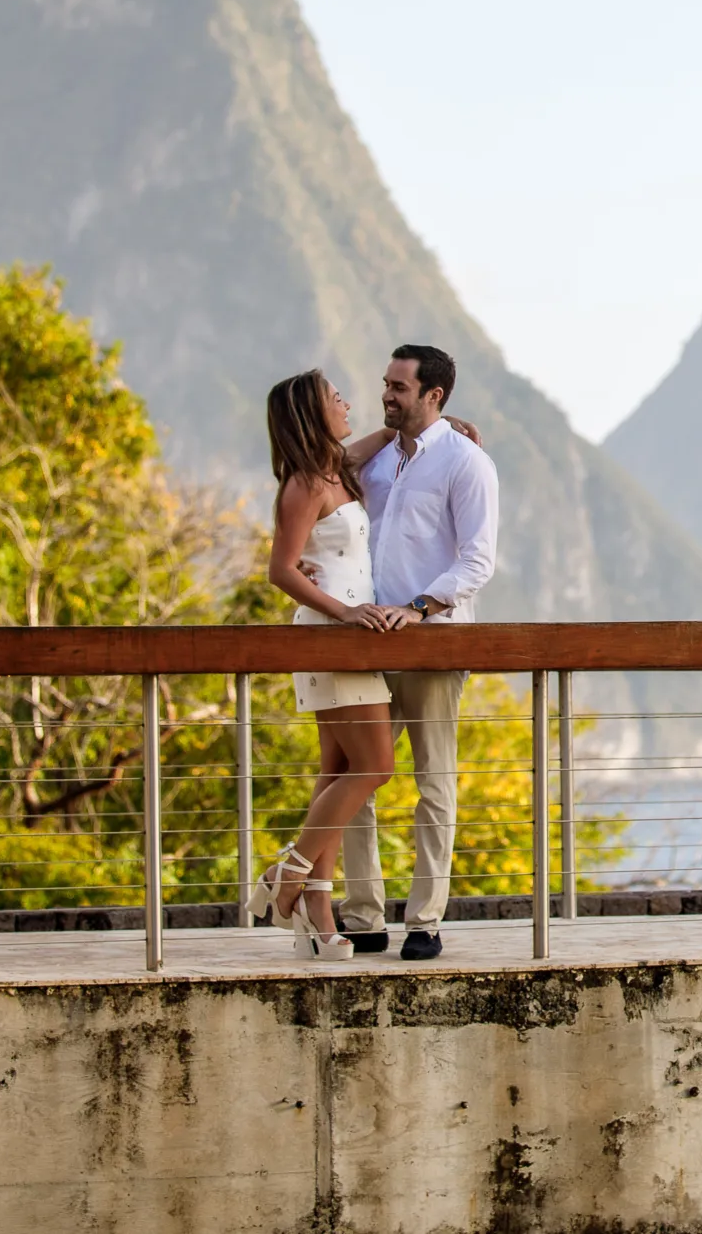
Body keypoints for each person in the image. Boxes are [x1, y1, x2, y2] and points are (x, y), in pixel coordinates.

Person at [338, 343, 499, 962]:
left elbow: (478, 559)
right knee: (359, 777)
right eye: (385, 384)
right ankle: (363, 916)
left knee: (433, 782)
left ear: (434, 395)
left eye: (400, 388)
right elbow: (322, 481)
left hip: (432, 641)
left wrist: (422, 608)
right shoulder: (377, 463)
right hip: (368, 643)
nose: (387, 394)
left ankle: (425, 921)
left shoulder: (466, 462)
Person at [252, 369, 400, 962]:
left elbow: (380, 436)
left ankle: (316, 912)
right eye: (334, 398)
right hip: (332, 639)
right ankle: (287, 870)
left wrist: (443, 428)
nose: (346, 403)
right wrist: (344, 613)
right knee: (377, 765)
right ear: (313, 413)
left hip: (346, 638)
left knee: (338, 773)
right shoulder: (304, 485)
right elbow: (281, 569)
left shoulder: (334, 469)